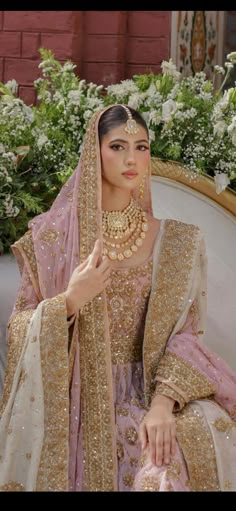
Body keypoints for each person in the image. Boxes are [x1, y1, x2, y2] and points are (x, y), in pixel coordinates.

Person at [0, 104, 236, 492]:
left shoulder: (177, 241)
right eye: (118, 146)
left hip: (153, 392)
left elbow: (186, 335)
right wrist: (70, 302)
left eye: (141, 147)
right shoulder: (50, 241)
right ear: (95, 153)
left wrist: (162, 404)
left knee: (195, 433)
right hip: (78, 403)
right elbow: (18, 331)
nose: (132, 158)